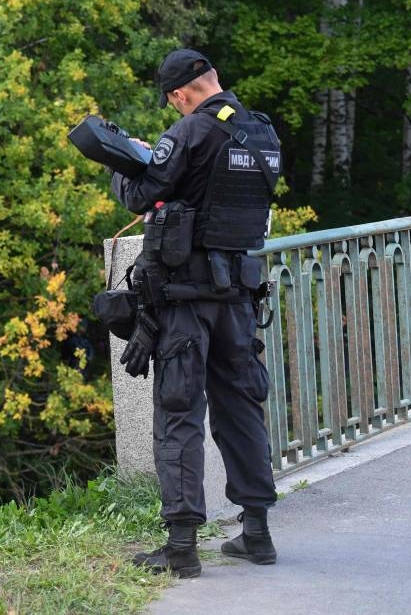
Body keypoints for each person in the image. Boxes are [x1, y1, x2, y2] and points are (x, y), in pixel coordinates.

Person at [111, 49, 280, 578]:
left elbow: (145, 193)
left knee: (179, 411)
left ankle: (181, 546)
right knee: (241, 407)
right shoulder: (262, 133)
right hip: (239, 297)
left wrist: (128, 162)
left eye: (173, 101)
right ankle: (256, 533)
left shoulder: (189, 132)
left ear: (181, 94)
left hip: (185, 297)